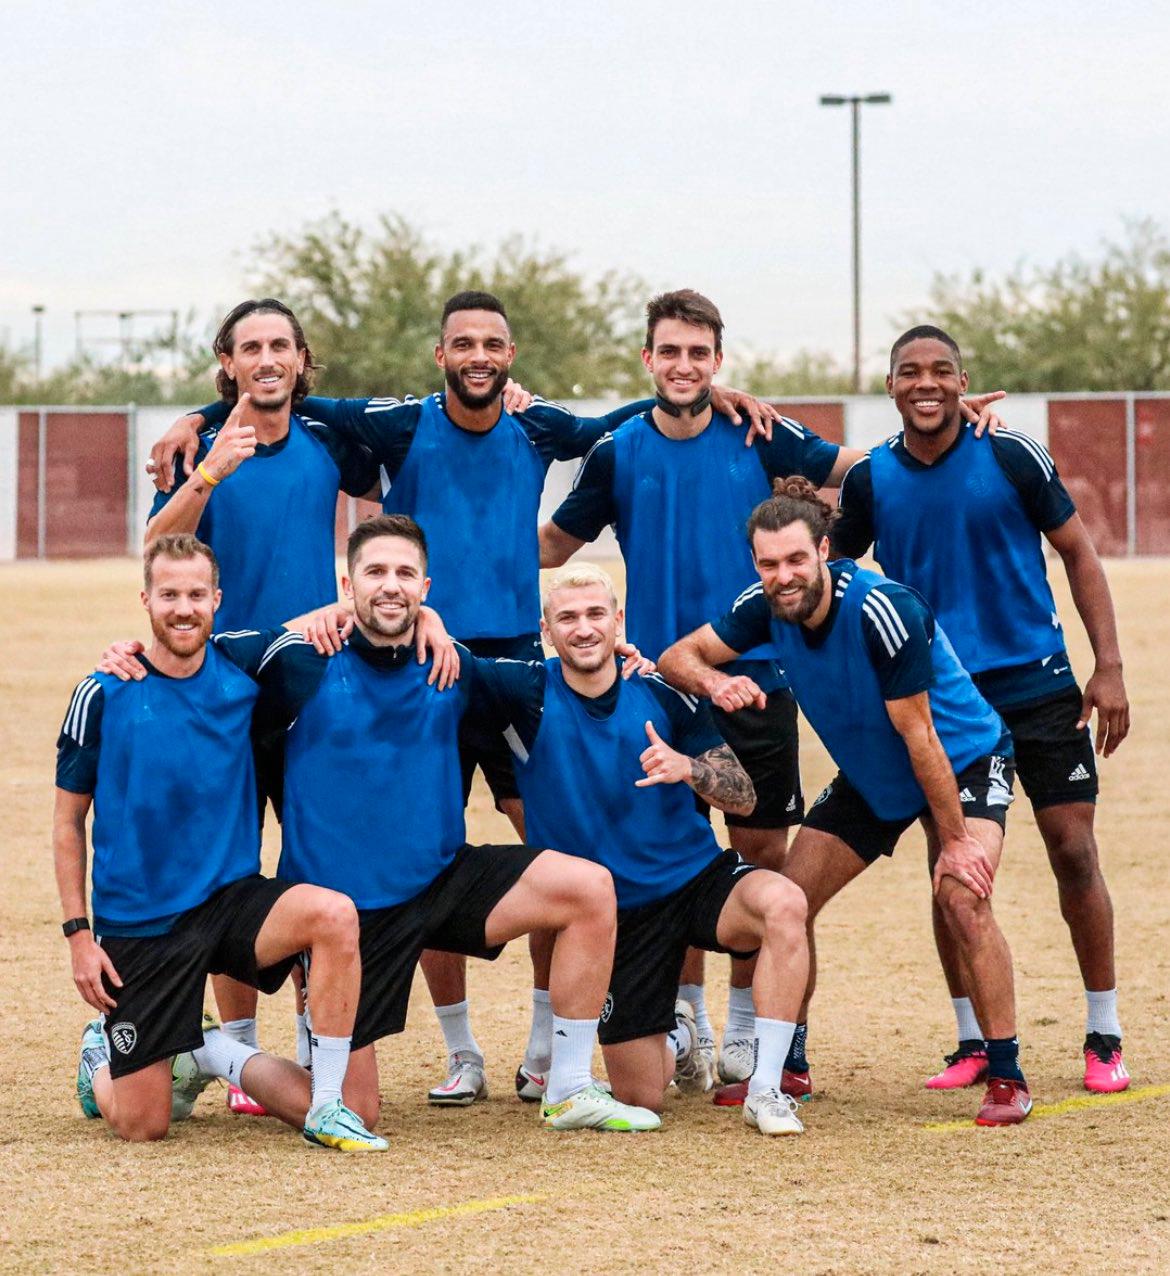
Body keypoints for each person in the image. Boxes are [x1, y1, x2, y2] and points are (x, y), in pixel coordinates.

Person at [150, 288, 780, 1107]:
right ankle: (292, 1047)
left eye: (492, 344)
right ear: (440, 354)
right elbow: (259, 415)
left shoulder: (506, 429)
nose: (478, 356)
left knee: (547, 844)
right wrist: (196, 421)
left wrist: (710, 394)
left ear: (509, 357)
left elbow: (614, 424)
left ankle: (542, 1050)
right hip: (325, 669)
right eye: (463, 343)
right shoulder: (378, 426)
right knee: (280, 856)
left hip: (488, 666)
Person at [540, 289, 1006, 1093]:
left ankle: (754, 1037)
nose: (684, 365)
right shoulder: (618, 450)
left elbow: (865, 470)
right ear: (647, 359)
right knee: (669, 856)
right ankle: (685, 1018)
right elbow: (553, 545)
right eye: (669, 352)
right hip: (659, 686)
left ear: (718, 361)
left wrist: (948, 424)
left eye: (699, 353)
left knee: (761, 861)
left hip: (758, 685)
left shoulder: (759, 432)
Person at [102, 516, 659, 1134]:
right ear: (348, 585)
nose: (390, 585)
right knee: (357, 1109)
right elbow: (192, 649)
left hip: (441, 881)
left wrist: (621, 660)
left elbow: (557, 680)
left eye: (404, 574)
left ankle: (570, 1087)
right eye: (374, 572)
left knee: (588, 888)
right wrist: (130, 653)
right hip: (347, 916)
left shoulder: (450, 663)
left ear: (425, 587)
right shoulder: (298, 659)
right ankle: (206, 1051)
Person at [143, 297, 455, 1116]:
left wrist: (423, 610)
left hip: (314, 686)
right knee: (230, 870)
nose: (267, 359)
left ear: (301, 359)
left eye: (280, 345)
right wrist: (209, 459)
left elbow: (400, 492)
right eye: (250, 347)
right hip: (220, 691)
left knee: (319, 864)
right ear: (228, 362)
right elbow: (157, 546)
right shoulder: (201, 450)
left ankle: (321, 1039)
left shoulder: (325, 437)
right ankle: (238, 1050)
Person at [659, 479, 1033, 1126]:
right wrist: (716, 682)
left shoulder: (883, 610)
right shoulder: (762, 607)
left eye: (796, 559)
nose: (783, 576)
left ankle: (1007, 1073)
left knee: (962, 896)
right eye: (769, 563)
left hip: (960, 758)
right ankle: (788, 1067)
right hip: (874, 772)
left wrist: (955, 842)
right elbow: (677, 656)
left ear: (824, 551)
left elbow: (922, 738)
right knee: (788, 901)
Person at [832, 325, 1131, 1094]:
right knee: (951, 862)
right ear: (891, 386)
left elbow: (1078, 552)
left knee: (1074, 850)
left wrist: (1108, 667)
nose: (925, 382)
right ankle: (971, 1039)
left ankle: (1104, 1031)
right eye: (910, 371)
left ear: (963, 382)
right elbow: (829, 569)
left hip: (1038, 687)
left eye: (941, 370)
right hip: (946, 703)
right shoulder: (872, 479)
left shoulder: (1012, 454)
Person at [57, 534, 384, 1150]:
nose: (183, 609)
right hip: (142, 924)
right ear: (146, 600)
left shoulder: (243, 662)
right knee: (143, 1125)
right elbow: (67, 822)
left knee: (334, 914)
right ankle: (100, 1057)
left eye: (196, 595)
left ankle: (299, 1090)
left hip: (230, 901)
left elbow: (348, 613)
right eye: (169, 595)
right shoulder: (103, 691)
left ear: (217, 600)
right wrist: (79, 936)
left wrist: (433, 619)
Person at [464, 562, 811, 1135]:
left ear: (618, 620)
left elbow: (745, 797)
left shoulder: (661, 693)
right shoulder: (524, 691)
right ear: (546, 630)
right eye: (567, 618)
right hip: (617, 917)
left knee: (785, 903)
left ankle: (767, 1089)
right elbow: (444, 659)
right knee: (642, 1094)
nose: (583, 628)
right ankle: (677, 1034)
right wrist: (425, 619)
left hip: (694, 879)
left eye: (596, 614)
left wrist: (688, 768)